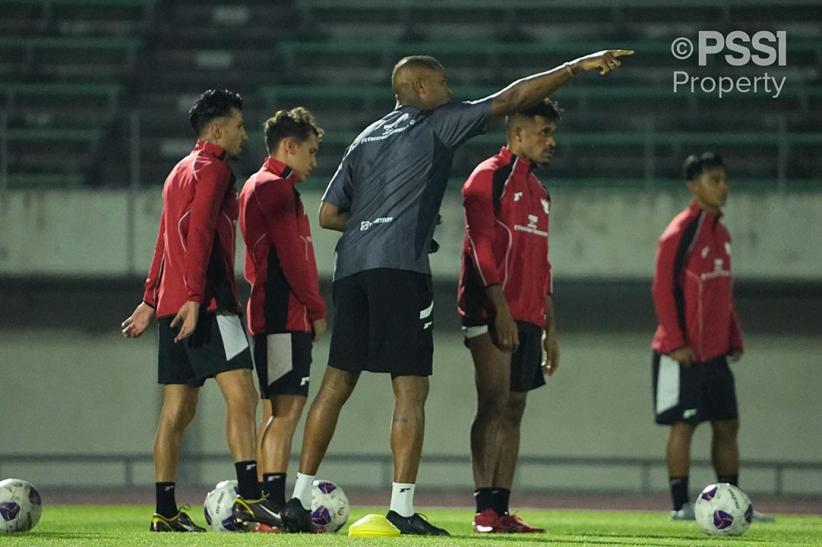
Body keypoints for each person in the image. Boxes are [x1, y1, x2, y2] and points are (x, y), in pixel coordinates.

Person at [282, 49, 633, 536]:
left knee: (337, 381)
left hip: (352, 268)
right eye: (443, 83)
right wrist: (574, 68)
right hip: (401, 269)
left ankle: (298, 500)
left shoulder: (365, 137)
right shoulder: (438, 123)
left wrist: (375, 223)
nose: (450, 90)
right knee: (410, 387)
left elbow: (328, 214)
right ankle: (401, 509)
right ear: (422, 89)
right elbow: (512, 98)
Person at [121, 89, 281, 532]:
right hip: (208, 303)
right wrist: (194, 297)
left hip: (177, 304)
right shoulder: (214, 170)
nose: (243, 134)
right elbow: (201, 238)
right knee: (243, 397)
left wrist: (153, 298)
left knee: (176, 410)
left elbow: (165, 238)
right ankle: (250, 498)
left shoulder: (177, 172)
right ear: (216, 129)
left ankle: (165, 511)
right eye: (238, 125)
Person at [458, 98, 561, 534]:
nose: (551, 142)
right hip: (490, 310)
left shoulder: (541, 192)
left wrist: (549, 331)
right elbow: (482, 250)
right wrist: (499, 310)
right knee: (494, 403)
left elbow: (543, 266)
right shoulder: (487, 178)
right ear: (516, 135)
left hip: (529, 316)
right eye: (543, 133)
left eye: (552, 134)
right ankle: (484, 510)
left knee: (515, 408)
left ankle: (501, 508)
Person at [651, 152, 771, 522]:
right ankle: (679, 506)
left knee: (727, 424)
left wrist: (733, 336)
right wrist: (676, 341)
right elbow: (662, 290)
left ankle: (735, 504)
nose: (723, 186)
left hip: (715, 354)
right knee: (683, 425)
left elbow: (723, 294)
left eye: (724, 179)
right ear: (693, 185)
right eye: (714, 179)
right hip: (680, 353)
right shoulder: (680, 232)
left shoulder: (722, 235)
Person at [238, 107, 327, 515]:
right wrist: (315, 308)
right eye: (309, 151)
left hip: (272, 314)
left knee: (278, 409)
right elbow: (293, 258)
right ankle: (269, 502)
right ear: (288, 146)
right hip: (282, 315)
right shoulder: (274, 187)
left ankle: (262, 498)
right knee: (286, 410)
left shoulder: (265, 186)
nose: (313, 161)